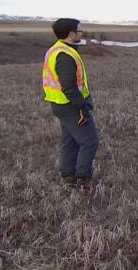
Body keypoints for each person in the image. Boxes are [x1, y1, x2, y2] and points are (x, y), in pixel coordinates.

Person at [42, 18, 99, 189]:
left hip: (61, 105)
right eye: (79, 31)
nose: (82, 33)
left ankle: (68, 176)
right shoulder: (64, 55)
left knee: (71, 141)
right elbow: (70, 88)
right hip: (71, 106)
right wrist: (82, 108)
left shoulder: (56, 50)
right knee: (90, 142)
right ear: (71, 34)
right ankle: (83, 179)